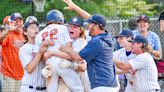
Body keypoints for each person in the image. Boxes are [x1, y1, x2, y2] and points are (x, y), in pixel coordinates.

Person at [60, 0, 118, 91]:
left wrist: (67, 49)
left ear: (96, 26)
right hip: (110, 83)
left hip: (102, 86)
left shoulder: (96, 42)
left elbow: (78, 57)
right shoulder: (107, 36)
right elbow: (92, 18)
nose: (88, 25)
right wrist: (75, 7)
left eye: (90, 24)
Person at [33, 10, 84, 92]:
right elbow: (69, 51)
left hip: (49, 67)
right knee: (79, 89)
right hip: (62, 63)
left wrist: (47, 58)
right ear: (60, 20)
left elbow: (36, 56)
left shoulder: (40, 34)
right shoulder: (64, 28)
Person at [42, 16, 91, 92]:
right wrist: (47, 69)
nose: (71, 28)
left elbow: (83, 67)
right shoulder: (64, 41)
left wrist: (70, 64)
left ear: (80, 30)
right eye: (70, 26)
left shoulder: (81, 42)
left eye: (75, 27)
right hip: (66, 81)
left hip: (81, 80)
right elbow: (55, 61)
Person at [19, 16, 53, 92]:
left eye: (36, 27)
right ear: (25, 32)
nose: (35, 29)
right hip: (29, 88)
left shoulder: (45, 46)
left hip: (45, 88)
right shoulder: (24, 48)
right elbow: (29, 69)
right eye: (31, 27)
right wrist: (40, 52)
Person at [1, 12, 26, 92]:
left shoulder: (25, 35)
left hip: (24, 76)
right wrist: (8, 29)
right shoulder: (8, 34)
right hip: (10, 76)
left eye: (20, 21)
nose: (18, 23)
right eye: (16, 21)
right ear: (12, 23)